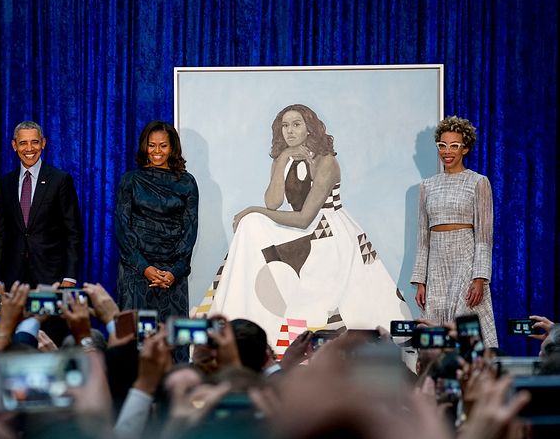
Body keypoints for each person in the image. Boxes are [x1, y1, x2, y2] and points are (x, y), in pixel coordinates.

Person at [202, 104, 409, 354]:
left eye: (296, 124)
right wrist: (282, 162)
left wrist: (253, 210)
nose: (289, 131)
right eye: (285, 125)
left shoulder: (326, 162)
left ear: (310, 128)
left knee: (255, 220)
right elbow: (273, 202)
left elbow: (305, 218)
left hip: (326, 230)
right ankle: (243, 311)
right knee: (250, 225)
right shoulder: (284, 159)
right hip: (301, 228)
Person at [411, 115, 497, 346]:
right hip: (436, 264)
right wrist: (421, 281)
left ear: (465, 148)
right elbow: (422, 239)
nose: (447, 151)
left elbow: (484, 237)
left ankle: (473, 378)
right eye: (442, 145)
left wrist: (480, 278)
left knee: (466, 330)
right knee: (435, 335)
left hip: (465, 262)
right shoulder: (426, 186)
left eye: (454, 146)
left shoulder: (479, 182)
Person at [115, 121, 199, 322]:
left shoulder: (187, 182)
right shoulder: (130, 180)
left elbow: (190, 230)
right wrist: (145, 268)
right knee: (134, 341)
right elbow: (122, 228)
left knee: (172, 341)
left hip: (173, 275)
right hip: (136, 271)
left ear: (172, 148)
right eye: (152, 145)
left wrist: (174, 271)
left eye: (163, 145)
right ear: (145, 146)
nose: (157, 151)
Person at [0, 121, 83, 293]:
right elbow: (1, 235)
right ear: (14, 145)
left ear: (43, 143)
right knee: (14, 321)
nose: (29, 148)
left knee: (50, 321)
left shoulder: (60, 180)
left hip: (51, 277)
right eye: (23, 143)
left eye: (35, 142)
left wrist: (69, 277)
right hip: (13, 278)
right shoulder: (6, 183)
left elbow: (73, 232)